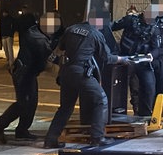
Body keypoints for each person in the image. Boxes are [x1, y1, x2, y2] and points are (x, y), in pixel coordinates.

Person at [43, 20, 130, 148]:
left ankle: (50, 139)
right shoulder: (95, 34)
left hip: (66, 72)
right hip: (81, 73)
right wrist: (123, 59)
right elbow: (107, 58)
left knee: (65, 107)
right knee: (101, 100)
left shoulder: (71, 28)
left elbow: (60, 49)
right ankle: (97, 137)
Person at [0, 13, 52, 143]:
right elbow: (46, 55)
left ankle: (22, 130)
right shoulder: (35, 37)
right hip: (23, 73)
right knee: (23, 103)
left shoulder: (32, 34)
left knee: (31, 102)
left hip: (27, 72)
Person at [111, 6, 160, 117]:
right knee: (117, 86)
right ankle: (115, 113)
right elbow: (111, 27)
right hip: (125, 60)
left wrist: (151, 55)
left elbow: (156, 48)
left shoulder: (154, 28)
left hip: (143, 62)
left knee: (149, 86)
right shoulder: (130, 20)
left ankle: (145, 115)